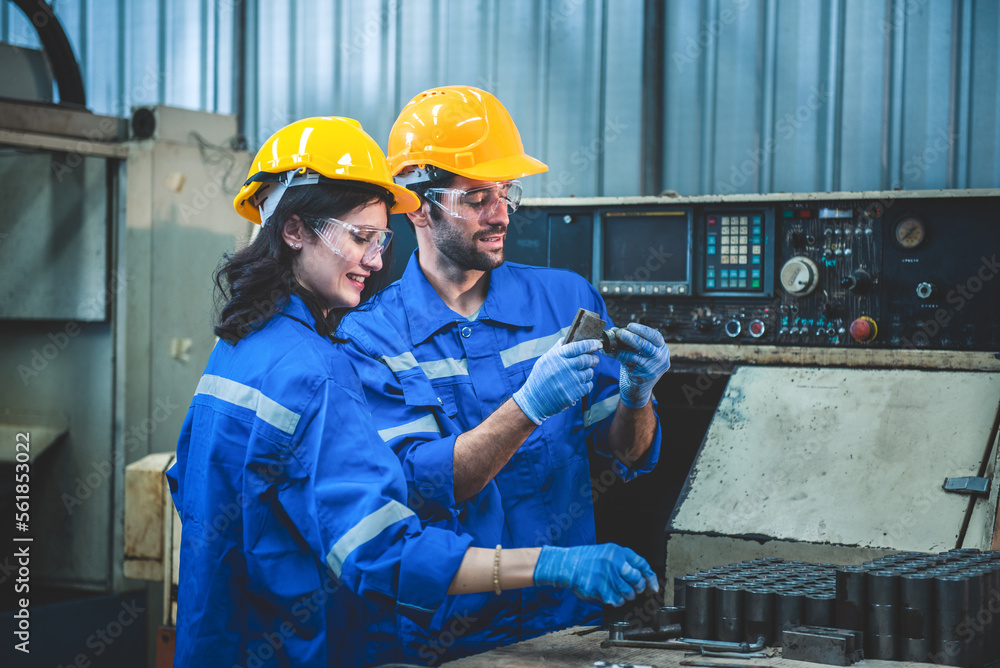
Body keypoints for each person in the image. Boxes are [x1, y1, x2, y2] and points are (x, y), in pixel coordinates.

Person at [165, 116, 658, 668]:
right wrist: (553, 564)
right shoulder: (325, 365)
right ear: (294, 229)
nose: (376, 260)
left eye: (380, 240)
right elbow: (385, 549)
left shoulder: (237, 347)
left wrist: (637, 393)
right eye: (359, 238)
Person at [337, 86, 673, 662]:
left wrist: (636, 396)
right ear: (418, 205)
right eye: (475, 198)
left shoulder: (564, 299)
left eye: (505, 192)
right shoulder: (371, 337)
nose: (500, 215)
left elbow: (628, 452)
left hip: (570, 625)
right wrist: (529, 407)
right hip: (452, 640)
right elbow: (422, 488)